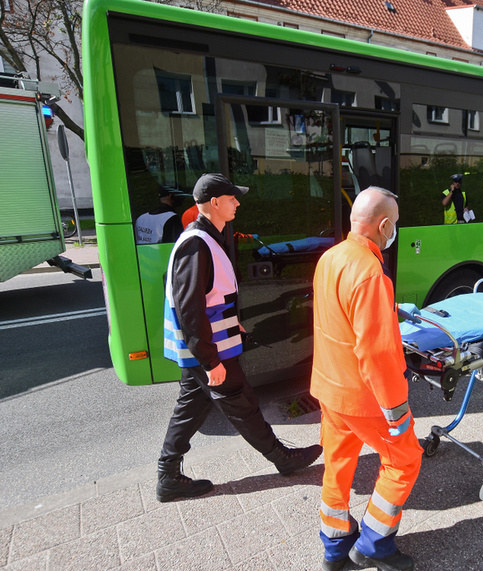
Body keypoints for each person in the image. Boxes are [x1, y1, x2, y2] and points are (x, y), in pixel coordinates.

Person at [158, 173, 322, 502]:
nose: (237, 203)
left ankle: (168, 476)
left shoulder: (204, 238)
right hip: (209, 352)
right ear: (214, 203)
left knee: (190, 408)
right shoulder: (196, 244)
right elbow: (190, 311)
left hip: (207, 348)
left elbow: (210, 298)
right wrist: (210, 360)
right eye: (232, 198)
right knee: (243, 405)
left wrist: (234, 323)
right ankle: (283, 460)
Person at [312, 187, 423, 571]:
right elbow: (377, 353)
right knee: (405, 459)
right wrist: (396, 410)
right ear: (384, 225)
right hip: (363, 397)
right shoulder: (370, 272)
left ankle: (335, 546)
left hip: (329, 387)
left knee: (338, 464)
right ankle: (375, 543)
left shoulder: (330, 258)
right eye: (394, 226)